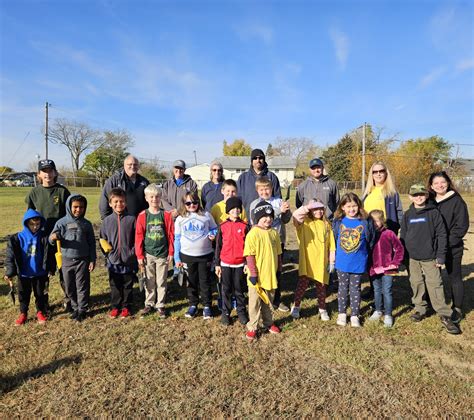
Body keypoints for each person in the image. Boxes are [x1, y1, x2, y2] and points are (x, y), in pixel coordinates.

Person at [400, 184, 460, 335]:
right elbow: (403, 236)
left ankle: (444, 314)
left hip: (430, 257)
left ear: (426, 195)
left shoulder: (434, 213)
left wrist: (440, 255)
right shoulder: (408, 214)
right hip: (412, 257)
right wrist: (404, 255)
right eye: (415, 195)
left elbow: (441, 235)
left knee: (435, 284)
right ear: (410, 197)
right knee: (416, 282)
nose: (418, 197)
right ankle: (420, 308)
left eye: (421, 194)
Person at [25, 159, 71, 311]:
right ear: (39, 174)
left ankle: (69, 299)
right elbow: (29, 215)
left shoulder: (62, 191)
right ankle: (44, 302)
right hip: (42, 239)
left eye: (50, 170)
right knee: (44, 271)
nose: (48, 174)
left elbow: (69, 214)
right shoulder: (34, 192)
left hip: (61, 238)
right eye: (44, 171)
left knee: (64, 270)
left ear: (55, 172)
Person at [428, 171, 469, 323]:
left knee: (455, 277)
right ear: (431, 186)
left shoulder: (457, 201)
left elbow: (461, 226)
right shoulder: (429, 201)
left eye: (442, 182)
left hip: (452, 247)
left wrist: (445, 244)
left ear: (448, 182)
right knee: (433, 277)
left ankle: (457, 308)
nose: (440, 185)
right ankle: (433, 303)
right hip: (433, 247)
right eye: (436, 183)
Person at [49, 194, 96, 322]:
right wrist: (53, 237)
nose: (78, 210)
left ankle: (82, 309)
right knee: (69, 286)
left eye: (81, 207)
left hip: (83, 260)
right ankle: (75, 307)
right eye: (75, 207)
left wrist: (92, 259)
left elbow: (92, 243)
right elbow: (51, 239)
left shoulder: (86, 224)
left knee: (82, 286)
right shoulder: (61, 223)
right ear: (69, 207)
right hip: (67, 260)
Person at [332, 192, 375, 328]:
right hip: (342, 262)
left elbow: (371, 240)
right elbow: (334, 239)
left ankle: (355, 314)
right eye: (348, 206)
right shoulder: (338, 222)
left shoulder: (365, 222)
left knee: (356, 288)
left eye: (354, 206)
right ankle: (342, 313)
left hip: (358, 262)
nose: (351, 209)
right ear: (342, 207)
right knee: (343, 288)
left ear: (359, 206)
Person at [249, 176, 292, 312]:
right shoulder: (254, 204)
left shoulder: (278, 201)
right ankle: (261, 298)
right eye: (261, 189)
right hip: (262, 245)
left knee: (277, 272)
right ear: (257, 190)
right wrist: (278, 211)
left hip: (277, 242)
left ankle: (276, 300)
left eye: (267, 189)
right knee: (262, 272)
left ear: (271, 189)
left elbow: (285, 220)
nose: (264, 192)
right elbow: (254, 221)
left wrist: (286, 211)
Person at [4, 209, 54, 325]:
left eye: (37, 224)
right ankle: (23, 313)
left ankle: (40, 312)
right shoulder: (17, 238)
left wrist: (50, 268)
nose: (35, 227)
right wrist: (10, 272)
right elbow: (10, 257)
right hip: (24, 273)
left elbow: (50, 255)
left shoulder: (44, 237)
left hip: (40, 273)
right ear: (26, 223)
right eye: (32, 224)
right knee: (23, 295)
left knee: (41, 294)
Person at [174, 192, 218, 319]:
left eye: (194, 202)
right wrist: (177, 258)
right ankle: (193, 304)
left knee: (205, 281)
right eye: (188, 203)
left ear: (198, 202)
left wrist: (213, 234)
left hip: (205, 255)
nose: (192, 205)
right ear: (184, 204)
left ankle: (207, 306)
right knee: (191, 282)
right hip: (187, 255)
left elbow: (214, 228)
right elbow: (177, 239)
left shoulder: (206, 215)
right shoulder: (180, 218)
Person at [290, 200, 335, 321]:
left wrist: (331, 262)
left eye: (321, 208)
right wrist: (307, 207)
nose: (318, 211)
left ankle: (322, 309)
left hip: (321, 262)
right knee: (302, 286)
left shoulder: (327, 224)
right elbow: (295, 215)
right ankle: (296, 306)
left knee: (321, 287)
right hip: (308, 261)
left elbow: (332, 245)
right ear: (310, 210)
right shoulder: (304, 223)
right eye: (315, 209)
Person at [243, 201, 283, 341]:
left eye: (270, 216)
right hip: (256, 277)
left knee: (268, 302)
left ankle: (268, 323)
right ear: (257, 217)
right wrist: (253, 274)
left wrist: (279, 269)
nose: (268, 219)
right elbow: (250, 255)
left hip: (270, 275)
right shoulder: (253, 234)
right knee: (254, 303)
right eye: (264, 216)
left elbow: (278, 253)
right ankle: (252, 327)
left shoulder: (274, 233)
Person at [135, 184, 174, 319]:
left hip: (162, 254)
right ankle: (149, 303)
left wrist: (171, 252)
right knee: (149, 280)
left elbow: (170, 235)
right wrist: (139, 255)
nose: (154, 199)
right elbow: (139, 236)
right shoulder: (142, 216)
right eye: (151, 197)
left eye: (157, 197)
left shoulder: (166, 215)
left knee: (161, 280)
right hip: (148, 254)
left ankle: (160, 304)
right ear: (146, 198)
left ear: (160, 197)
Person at [100, 188, 137, 319]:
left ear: (126, 203)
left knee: (128, 285)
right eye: (115, 201)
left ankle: (126, 306)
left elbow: (137, 239)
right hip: (113, 261)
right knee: (115, 285)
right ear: (110, 203)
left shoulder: (132, 219)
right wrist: (108, 255)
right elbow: (102, 239)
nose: (118, 204)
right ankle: (115, 306)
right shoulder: (106, 221)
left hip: (128, 259)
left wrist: (132, 253)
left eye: (121, 201)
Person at [214, 197, 250, 326]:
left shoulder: (245, 226)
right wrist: (217, 264)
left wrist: (247, 263)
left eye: (238, 208)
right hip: (225, 263)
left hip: (240, 264)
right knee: (226, 289)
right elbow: (218, 246)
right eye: (232, 208)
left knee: (239, 289)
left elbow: (249, 246)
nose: (235, 210)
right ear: (228, 211)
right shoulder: (222, 226)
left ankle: (241, 312)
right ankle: (226, 312)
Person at [367, 210, 404, 328]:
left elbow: (399, 249)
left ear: (382, 221)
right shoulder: (368, 235)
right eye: (372, 221)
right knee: (377, 290)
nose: (375, 224)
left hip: (388, 268)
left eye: (377, 221)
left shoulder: (389, 234)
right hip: (374, 269)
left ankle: (388, 314)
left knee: (387, 291)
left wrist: (395, 262)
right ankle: (378, 310)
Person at [99, 155, 150, 220]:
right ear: (124, 165)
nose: (133, 166)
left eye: (135, 164)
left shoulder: (144, 181)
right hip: (122, 222)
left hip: (141, 222)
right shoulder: (114, 180)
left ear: (138, 166)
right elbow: (105, 201)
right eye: (130, 164)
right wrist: (106, 220)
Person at [237, 148, 281, 216]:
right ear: (251, 161)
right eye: (255, 158)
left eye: (260, 158)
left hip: (268, 220)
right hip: (248, 219)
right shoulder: (243, 178)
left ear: (264, 160)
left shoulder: (272, 177)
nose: (258, 160)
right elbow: (238, 199)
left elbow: (278, 198)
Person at [362, 161, 403, 233]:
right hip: (368, 231)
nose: (378, 174)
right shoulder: (367, 193)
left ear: (386, 173)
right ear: (371, 174)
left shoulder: (392, 193)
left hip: (385, 232)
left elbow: (399, 214)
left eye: (381, 171)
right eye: (375, 172)